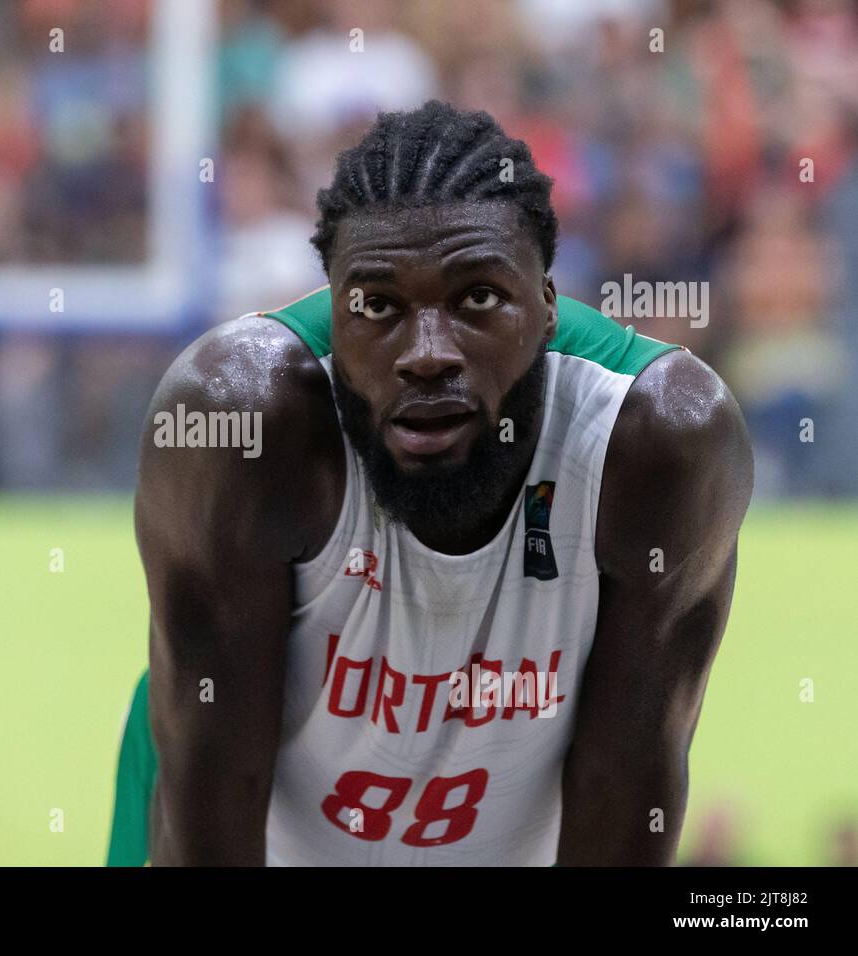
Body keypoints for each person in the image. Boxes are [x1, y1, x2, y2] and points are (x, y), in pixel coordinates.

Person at [108, 101, 753, 866]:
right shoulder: (243, 423)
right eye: (378, 306)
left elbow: (624, 784)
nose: (427, 354)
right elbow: (216, 797)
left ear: (546, 306)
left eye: (477, 298)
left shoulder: (658, 440)